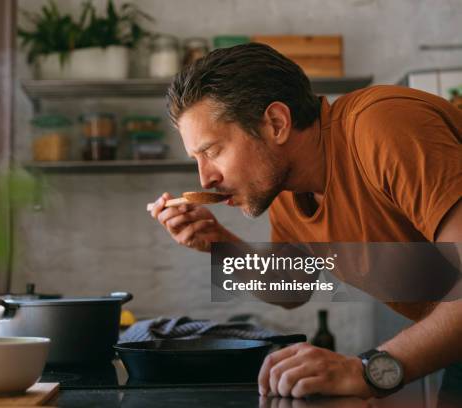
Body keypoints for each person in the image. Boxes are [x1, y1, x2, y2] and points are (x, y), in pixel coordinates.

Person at [149, 43, 462, 402]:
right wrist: (217, 243)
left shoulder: (383, 127)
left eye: (213, 151)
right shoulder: (286, 187)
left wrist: (366, 369)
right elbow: (291, 289)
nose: (205, 180)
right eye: (196, 159)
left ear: (276, 124)